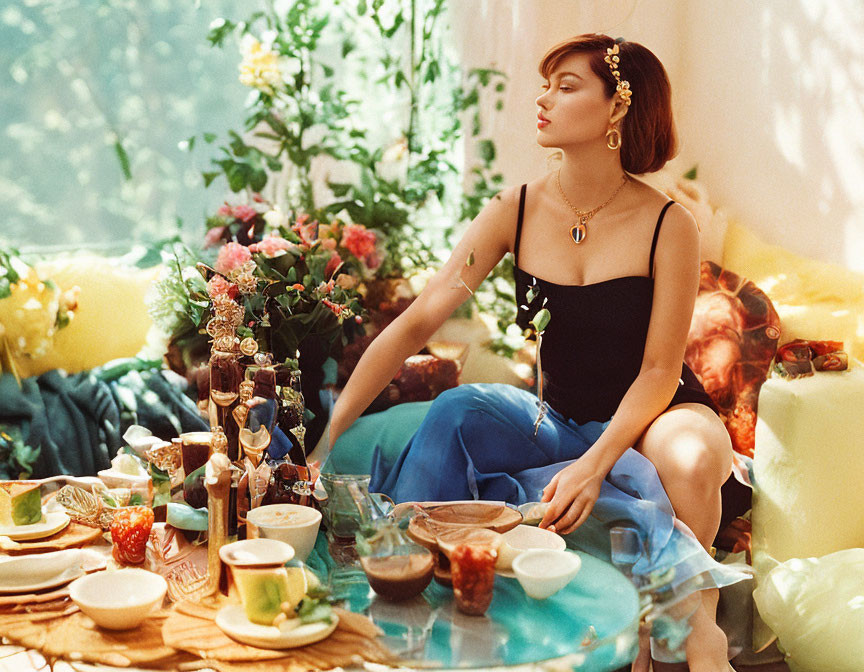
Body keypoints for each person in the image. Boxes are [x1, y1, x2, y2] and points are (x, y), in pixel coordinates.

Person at [329, 33, 745, 672]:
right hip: (559, 419)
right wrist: (330, 435)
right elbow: (418, 322)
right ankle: (406, 607)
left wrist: (594, 465)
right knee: (460, 410)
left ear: (617, 108)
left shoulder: (670, 224)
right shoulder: (514, 209)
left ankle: (696, 630)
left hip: (656, 409)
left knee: (684, 459)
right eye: (545, 83)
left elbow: (661, 369)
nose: (543, 99)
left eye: (567, 85)